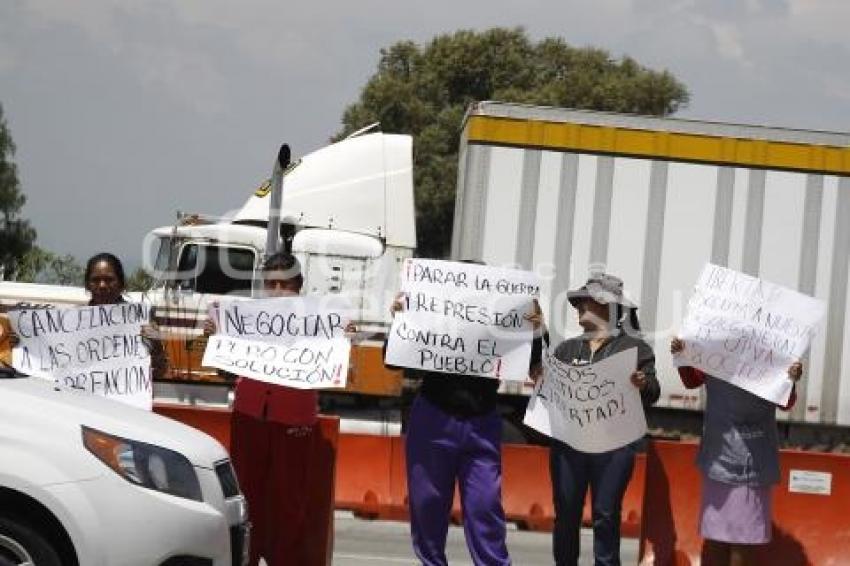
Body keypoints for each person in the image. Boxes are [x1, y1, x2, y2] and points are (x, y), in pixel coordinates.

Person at [385, 287, 545, 566]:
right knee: (427, 505)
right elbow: (392, 359)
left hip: (481, 420)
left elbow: (534, 366)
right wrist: (399, 321)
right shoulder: (435, 323)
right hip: (433, 417)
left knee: (485, 505)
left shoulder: (498, 327)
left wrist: (535, 330)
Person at [204, 252, 341, 566]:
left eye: (285, 284)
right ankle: (245, 559)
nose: (277, 291)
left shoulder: (316, 320)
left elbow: (335, 357)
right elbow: (224, 365)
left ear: (299, 286)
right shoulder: (249, 317)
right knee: (245, 496)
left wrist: (344, 338)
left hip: (294, 419)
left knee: (290, 502)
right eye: (271, 284)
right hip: (249, 414)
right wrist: (214, 336)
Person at [548, 273, 659, 566]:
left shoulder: (635, 349)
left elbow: (653, 391)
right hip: (569, 447)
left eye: (588, 300)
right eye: (580, 300)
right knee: (566, 514)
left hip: (614, 448)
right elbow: (549, 392)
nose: (580, 305)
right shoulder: (566, 349)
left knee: (605, 515)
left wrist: (642, 382)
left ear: (608, 307)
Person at [670, 337, 802, 566]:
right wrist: (681, 356)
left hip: (753, 463)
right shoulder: (717, 349)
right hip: (718, 458)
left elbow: (786, 402)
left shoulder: (772, 355)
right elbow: (692, 380)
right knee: (716, 537)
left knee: (743, 540)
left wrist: (791, 378)